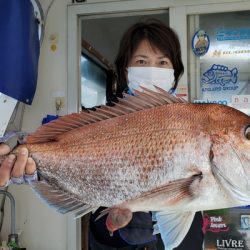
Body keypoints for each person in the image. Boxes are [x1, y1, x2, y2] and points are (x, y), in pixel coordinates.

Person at [89, 19, 203, 250]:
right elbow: (94, 213)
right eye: (142, 61)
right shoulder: (99, 124)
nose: (153, 70)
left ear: (174, 71)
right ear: (125, 70)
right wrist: (111, 224)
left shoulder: (194, 124)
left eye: (162, 62)